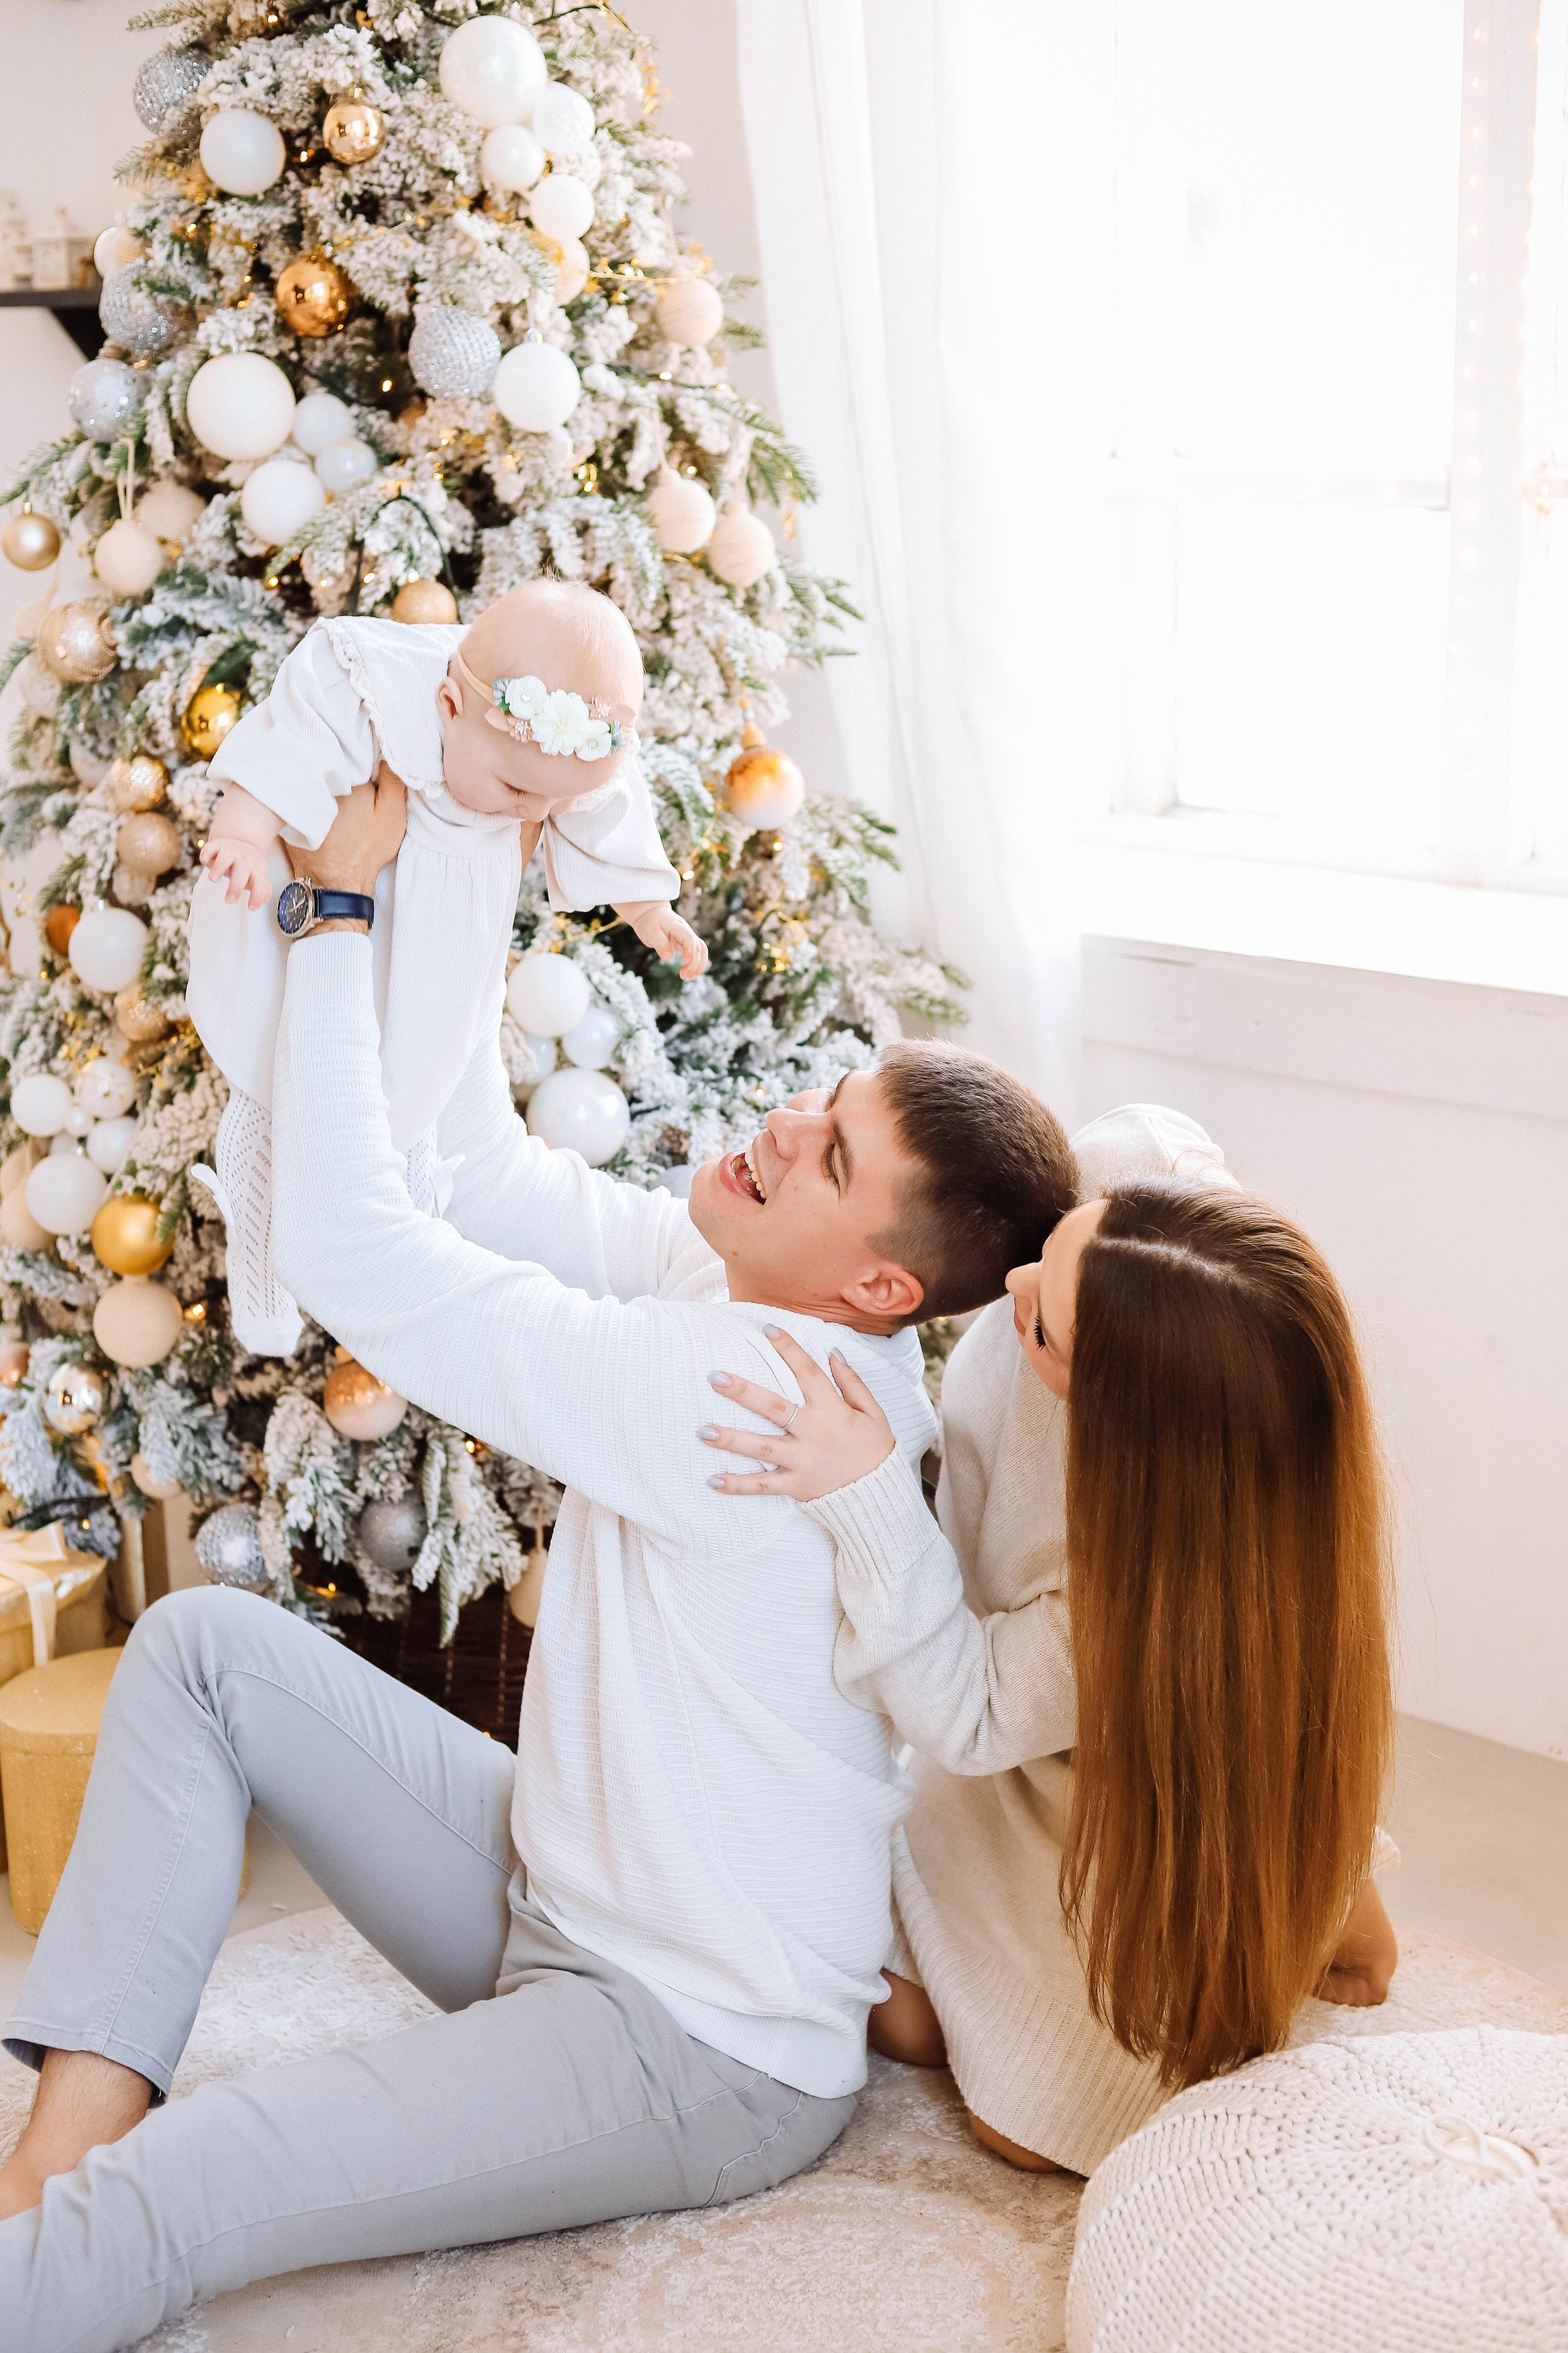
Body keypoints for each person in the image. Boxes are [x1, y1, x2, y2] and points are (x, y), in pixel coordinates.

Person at [0, 777, 1081, 2349]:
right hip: (557, 1882)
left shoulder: (735, 1394)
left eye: (832, 1151)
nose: (787, 1121)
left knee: (199, 2183)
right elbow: (479, 1176)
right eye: (825, 1095)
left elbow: (362, 1251)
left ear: (875, 1281)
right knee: (205, 1654)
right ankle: (47, 2170)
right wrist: (459, 841)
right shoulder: (766, 1311)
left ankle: (56, 2234)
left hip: (692, 2044)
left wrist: (328, 920)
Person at [696, 1108, 1398, 2177]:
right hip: (1023, 1740)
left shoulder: (1124, 1597)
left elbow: (973, 1716)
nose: (1010, 1290)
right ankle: (1320, 1891)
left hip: (1071, 1773)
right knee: (913, 2010)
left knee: (1028, 2126)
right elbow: (1132, 1149)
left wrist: (870, 1494)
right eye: (1048, 1252)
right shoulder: (1138, 1196)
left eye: (1041, 1327)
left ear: (1130, 1427)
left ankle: (1320, 1875)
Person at [187, 576, 705, 1356]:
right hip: (324, 921)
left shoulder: (563, 757)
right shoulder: (378, 679)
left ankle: (387, 1264)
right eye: (516, 789)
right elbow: (290, 736)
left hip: (441, 948)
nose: (530, 814)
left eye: (548, 807)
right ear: (451, 706)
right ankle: (263, 1271)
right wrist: (241, 825)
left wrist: (647, 908)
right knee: (284, 1080)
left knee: (413, 1103)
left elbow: (607, 812)